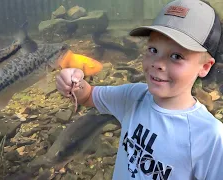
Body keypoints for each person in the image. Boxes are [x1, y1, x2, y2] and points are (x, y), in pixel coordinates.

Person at [55, 0, 223, 179]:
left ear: (205, 67)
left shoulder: (210, 137)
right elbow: (88, 95)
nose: (157, 63)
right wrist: (73, 82)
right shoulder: (133, 97)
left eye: (176, 56)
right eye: (153, 49)